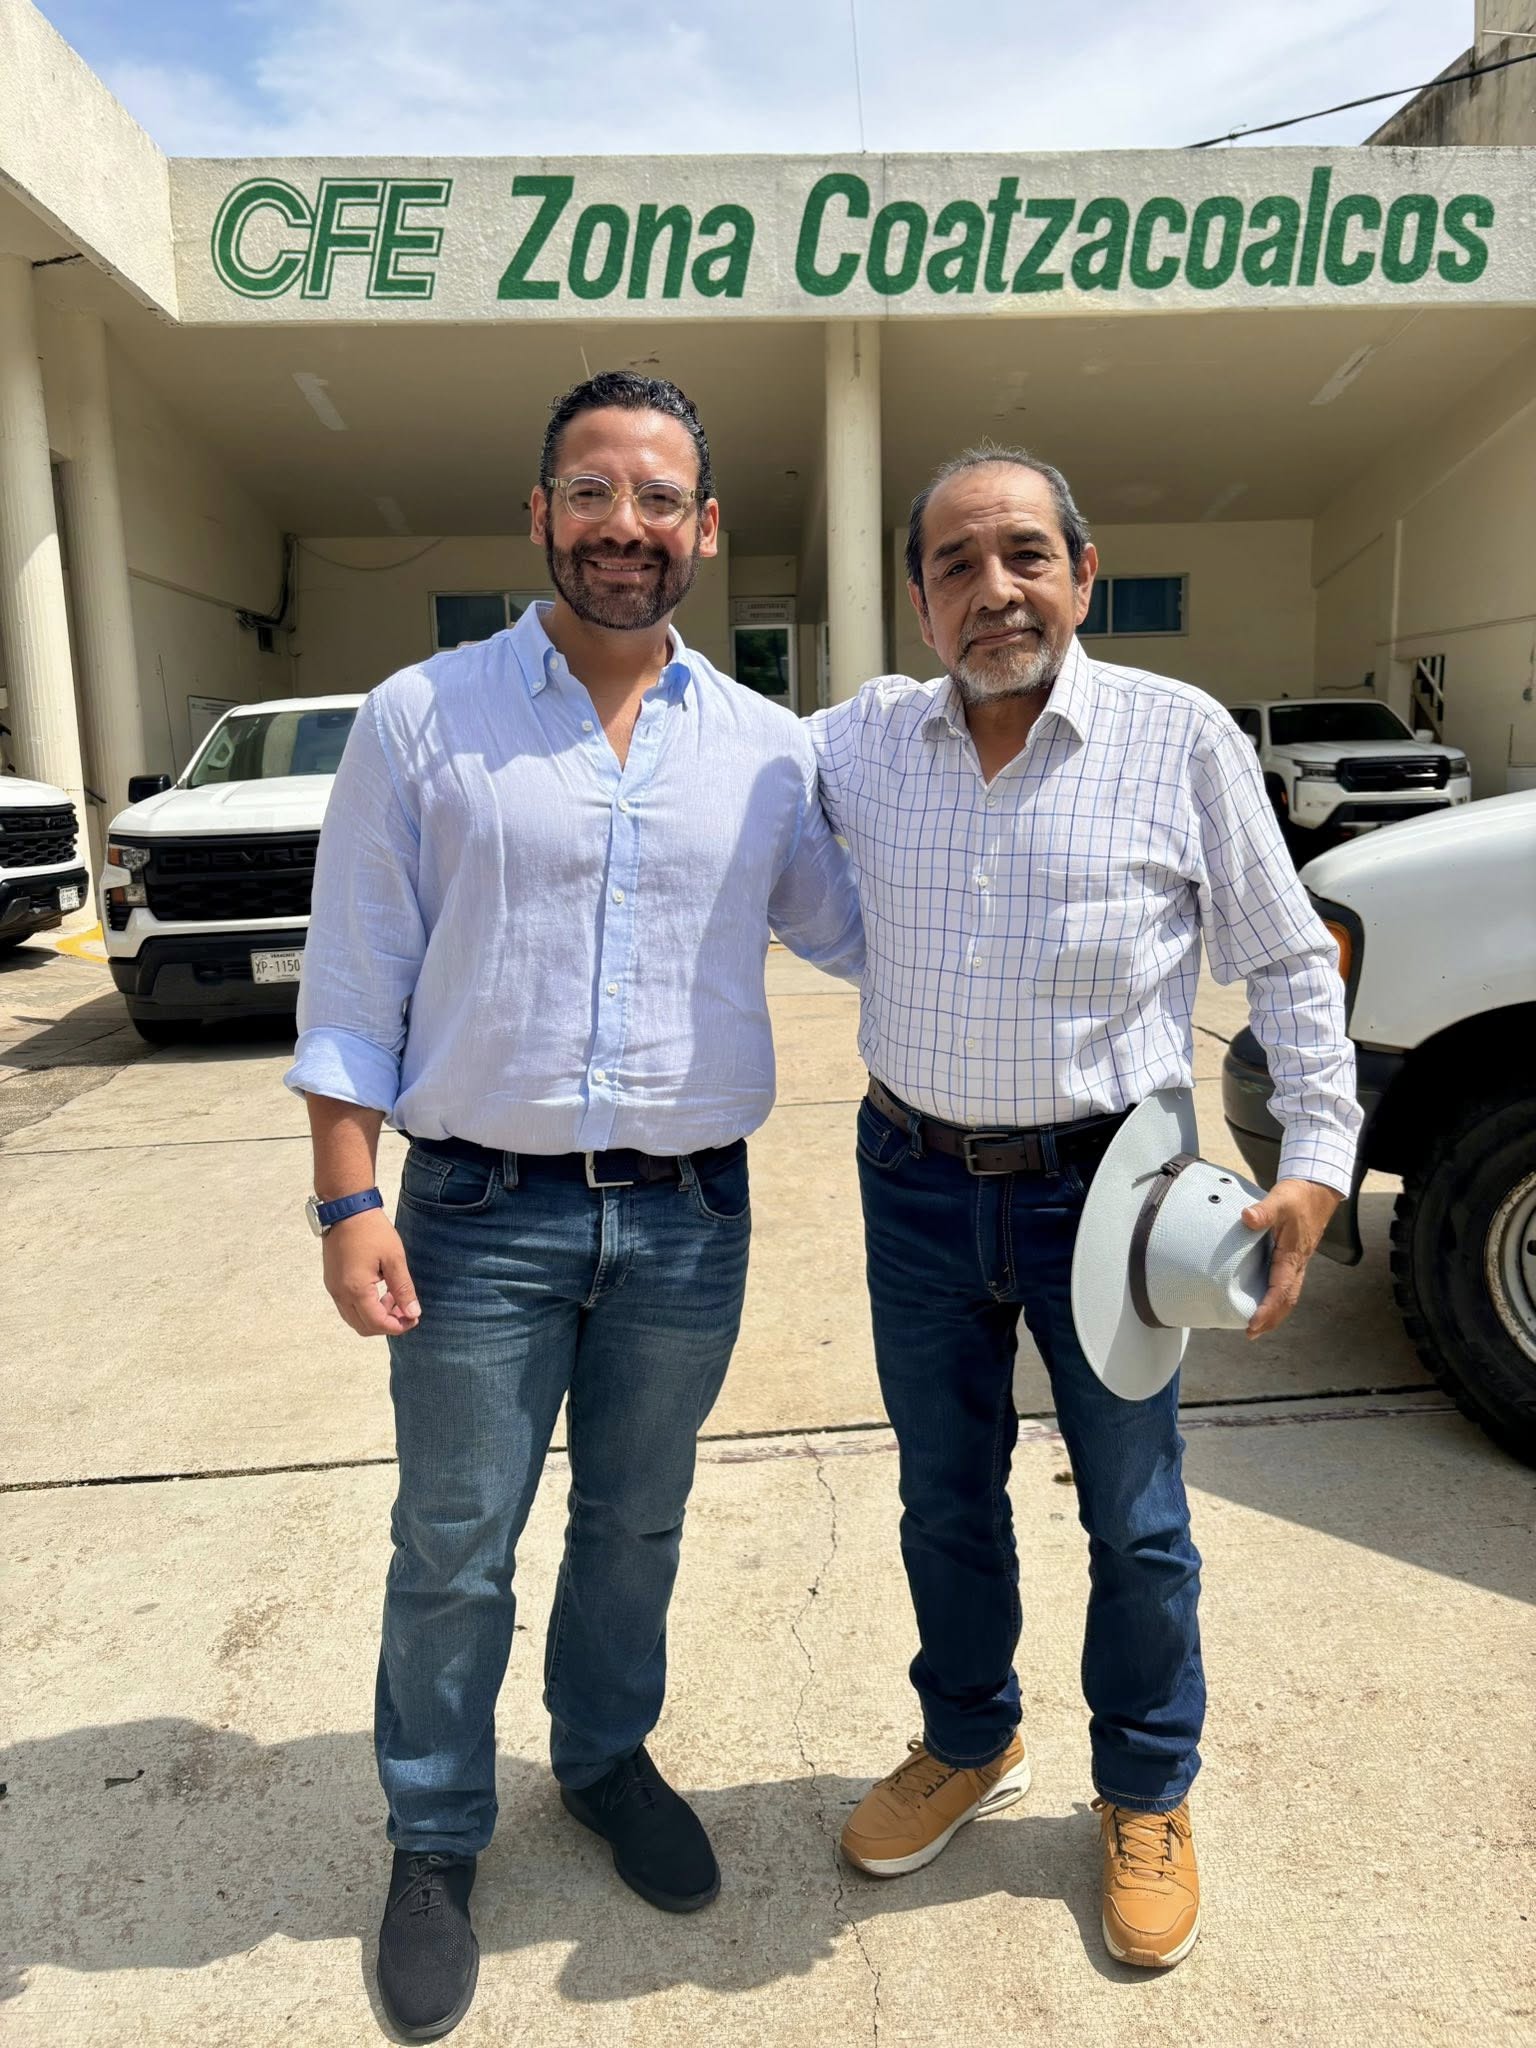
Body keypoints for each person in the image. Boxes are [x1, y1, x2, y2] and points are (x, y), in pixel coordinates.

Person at [286, 371, 862, 2040]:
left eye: (659, 498)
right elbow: (355, 976)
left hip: (687, 1223)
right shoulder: (422, 717)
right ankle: (434, 1830)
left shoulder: (766, 749)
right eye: (594, 492)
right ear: (541, 514)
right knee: (454, 1542)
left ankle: (603, 1759)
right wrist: (346, 1200)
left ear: (705, 531)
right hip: (474, 1215)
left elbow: (859, 929)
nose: (627, 525)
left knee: (636, 1520)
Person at [810, 445, 1359, 1970]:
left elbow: (1288, 956)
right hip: (913, 1183)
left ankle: (1147, 1787)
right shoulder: (862, 743)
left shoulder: (1177, 739)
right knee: (944, 1494)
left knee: (1136, 1515)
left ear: (1083, 573)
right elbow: (705, 765)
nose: (995, 590)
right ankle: (968, 1739)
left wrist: (1318, 1160)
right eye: (957, 565)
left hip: (1111, 1197)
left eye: (1026, 555)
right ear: (919, 600)